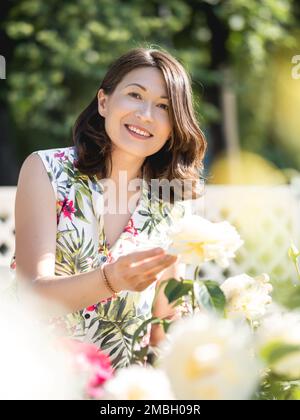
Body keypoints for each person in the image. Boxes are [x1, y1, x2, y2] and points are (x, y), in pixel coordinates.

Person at [10, 47, 207, 369]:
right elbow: (33, 297)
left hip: (125, 390)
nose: (146, 114)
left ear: (174, 125)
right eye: (135, 95)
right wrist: (111, 279)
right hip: (42, 379)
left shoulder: (172, 201)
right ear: (104, 102)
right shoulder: (47, 170)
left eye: (164, 106)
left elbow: (163, 328)